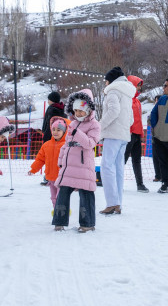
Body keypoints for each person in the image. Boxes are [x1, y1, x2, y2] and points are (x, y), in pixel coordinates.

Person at [53, 90, 102, 232]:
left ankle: (87, 224)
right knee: (63, 191)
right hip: (69, 166)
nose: (78, 114)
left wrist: (76, 133)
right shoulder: (72, 123)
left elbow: (89, 143)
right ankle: (59, 221)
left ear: (88, 109)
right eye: (75, 111)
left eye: (81, 111)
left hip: (83, 165)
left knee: (86, 192)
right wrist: (61, 160)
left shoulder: (94, 125)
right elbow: (66, 143)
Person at [99, 66, 135, 214]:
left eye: (106, 81)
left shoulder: (113, 91)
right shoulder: (127, 94)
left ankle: (112, 203)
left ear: (111, 80)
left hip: (112, 134)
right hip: (124, 135)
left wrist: (99, 127)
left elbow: (113, 111)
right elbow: (131, 119)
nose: (105, 84)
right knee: (118, 169)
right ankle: (118, 202)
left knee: (106, 167)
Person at [29, 117, 68, 207]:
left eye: (58, 130)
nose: (55, 132)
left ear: (64, 131)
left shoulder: (66, 145)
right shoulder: (46, 145)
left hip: (62, 178)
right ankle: (56, 214)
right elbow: (40, 159)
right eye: (53, 129)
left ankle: (62, 214)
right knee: (53, 198)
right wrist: (33, 169)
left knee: (60, 197)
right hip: (51, 177)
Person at [124, 75, 148, 193]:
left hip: (137, 134)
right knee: (122, 159)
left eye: (140, 86)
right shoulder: (126, 99)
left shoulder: (137, 101)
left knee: (137, 160)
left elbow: (139, 119)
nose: (139, 88)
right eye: (138, 85)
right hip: (128, 134)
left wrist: (141, 134)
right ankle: (117, 182)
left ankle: (140, 184)